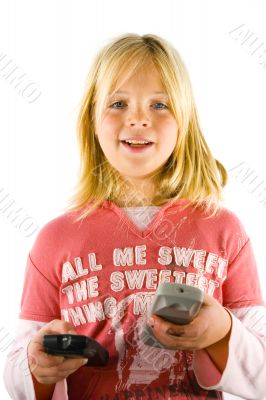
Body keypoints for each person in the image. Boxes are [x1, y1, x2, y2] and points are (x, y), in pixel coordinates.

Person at [3, 32, 266, 400]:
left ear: (184, 122)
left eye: (159, 105)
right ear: (92, 120)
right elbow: (17, 369)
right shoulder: (55, 239)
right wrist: (38, 365)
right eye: (118, 103)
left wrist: (221, 331)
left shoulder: (224, 230)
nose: (138, 119)